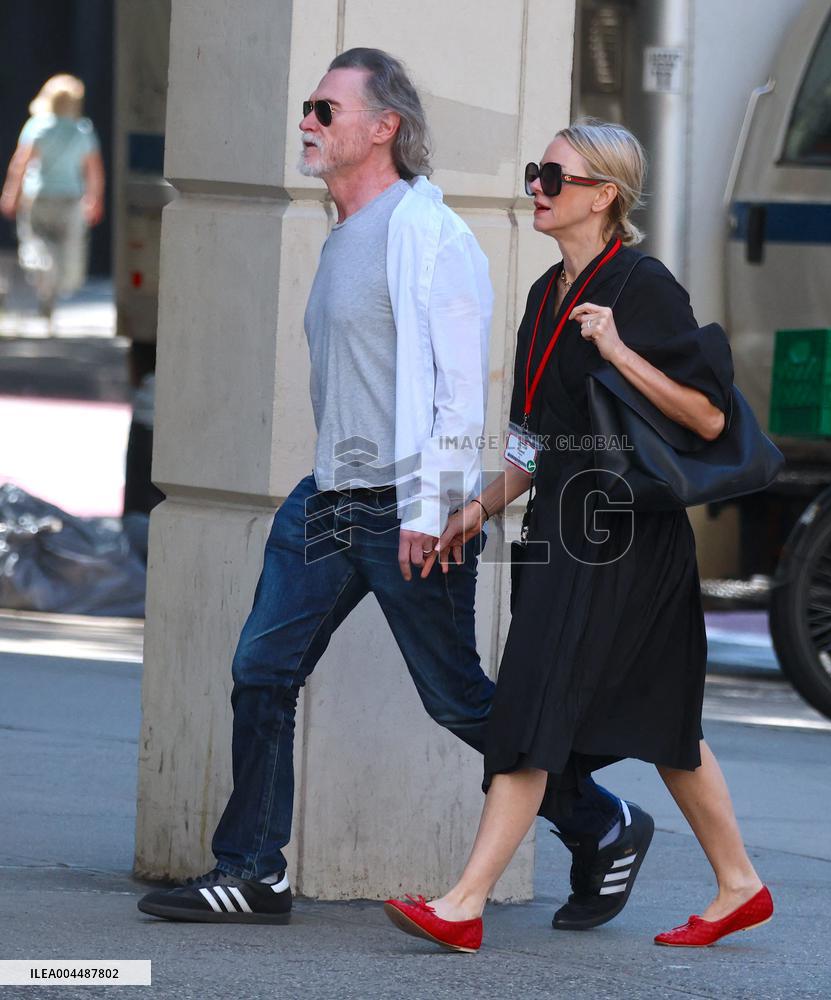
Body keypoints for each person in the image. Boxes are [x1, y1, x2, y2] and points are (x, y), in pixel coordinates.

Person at [138, 51, 637, 926]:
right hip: (331, 498)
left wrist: (429, 507)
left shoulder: (427, 233)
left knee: (459, 700)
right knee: (262, 668)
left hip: (404, 507)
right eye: (309, 109)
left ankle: (602, 822)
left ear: (384, 127)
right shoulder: (343, 234)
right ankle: (253, 870)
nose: (308, 123)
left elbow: (456, 387)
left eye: (325, 110)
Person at [384, 119, 773, 953]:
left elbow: (706, 414)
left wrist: (619, 349)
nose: (537, 189)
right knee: (666, 721)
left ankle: (463, 903)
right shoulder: (543, 295)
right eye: (536, 173)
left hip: (628, 541)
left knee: (531, 703)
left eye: (554, 178)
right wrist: (477, 509)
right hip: (560, 533)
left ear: (605, 194)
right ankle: (739, 883)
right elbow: (533, 437)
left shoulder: (643, 286)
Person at [0, 74, 105, 321]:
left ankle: (43, 276)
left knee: (35, 242)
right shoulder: (83, 131)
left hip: (39, 197)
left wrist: (10, 195)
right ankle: (54, 285)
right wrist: (95, 198)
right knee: (70, 251)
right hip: (70, 199)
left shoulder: (37, 126)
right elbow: (94, 170)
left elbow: (20, 165)